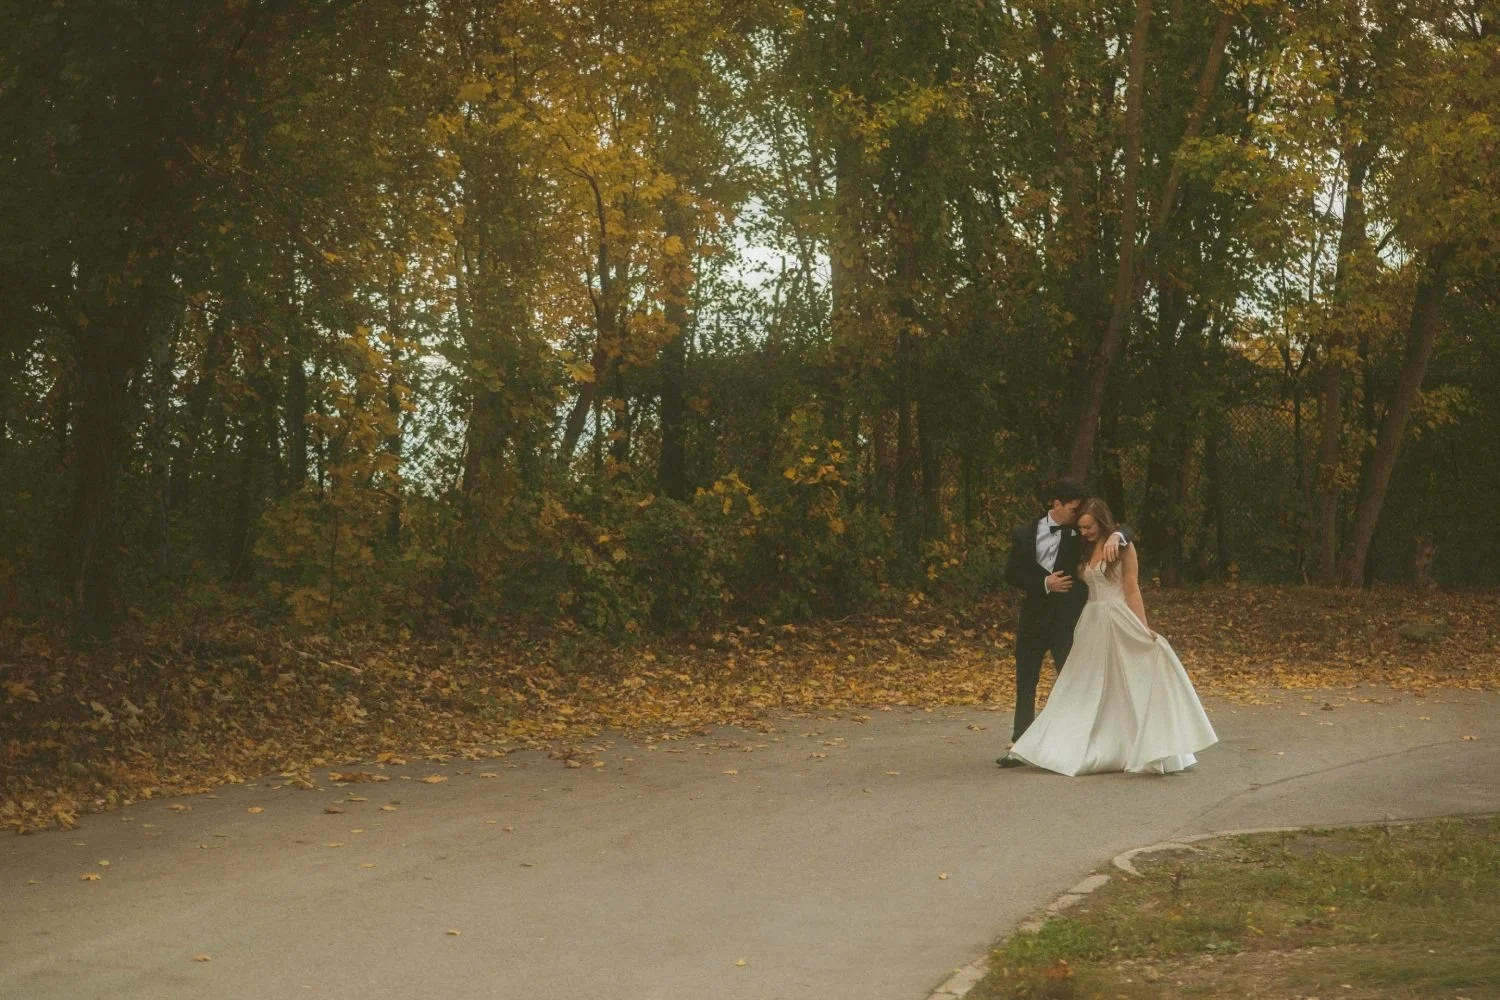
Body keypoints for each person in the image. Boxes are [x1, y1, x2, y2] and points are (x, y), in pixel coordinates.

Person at [1005, 498, 1218, 775]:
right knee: (1084, 685)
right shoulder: (1082, 547)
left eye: (1089, 527)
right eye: (1080, 526)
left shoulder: (1122, 548)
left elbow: (1132, 590)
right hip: (1091, 621)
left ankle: (1144, 744)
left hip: (1117, 617)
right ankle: (1061, 743)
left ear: (1102, 522)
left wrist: (1143, 628)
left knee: (1128, 680)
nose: (1084, 532)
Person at [995, 478, 1126, 767]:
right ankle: (1021, 743)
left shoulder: (1079, 534)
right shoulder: (1023, 533)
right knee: (1026, 679)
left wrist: (1119, 536)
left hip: (1067, 619)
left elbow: (1112, 526)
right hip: (1033, 617)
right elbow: (1012, 573)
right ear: (1056, 504)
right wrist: (1044, 582)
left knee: (1071, 680)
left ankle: (1075, 742)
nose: (1079, 516)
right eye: (1073, 509)